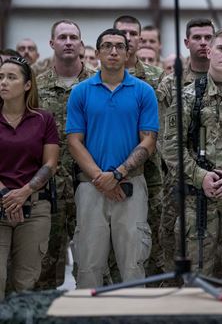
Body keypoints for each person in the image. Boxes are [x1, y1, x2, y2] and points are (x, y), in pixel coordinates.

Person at [66, 28, 159, 288]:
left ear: (128, 53)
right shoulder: (81, 92)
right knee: (88, 267)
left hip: (131, 187)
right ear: (96, 53)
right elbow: (74, 142)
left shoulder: (143, 91)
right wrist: (101, 179)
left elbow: (149, 140)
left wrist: (117, 174)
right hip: (89, 187)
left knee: (133, 265)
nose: (113, 51)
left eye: (120, 46)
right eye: (107, 46)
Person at [162, 28, 222, 286]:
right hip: (198, 201)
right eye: (221, 48)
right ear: (209, 52)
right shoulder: (188, 96)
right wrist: (200, 177)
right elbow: (171, 148)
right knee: (198, 277)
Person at [35, 20, 96, 290]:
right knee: (46, 261)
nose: (68, 42)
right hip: (50, 187)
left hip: (90, 182)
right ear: (52, 44)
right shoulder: (35, 88)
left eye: (74, 37)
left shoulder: (98, 83)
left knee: (93, 260)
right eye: (62, 37)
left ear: (81, 44)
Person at [156, 17, 215, 274]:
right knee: (173, 244)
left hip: (219, 179)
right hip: (179, 179)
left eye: (208, 37)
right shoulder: (171, 83)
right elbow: (161, 136)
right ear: (186, 42)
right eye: (198, 38)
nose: (203, 43)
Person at [0, 56, 59, 299]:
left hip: (34, 207)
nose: (3, 82)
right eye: (1, 77)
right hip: (0, 202)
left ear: (27, 85)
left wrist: (23, 193)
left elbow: (50, 164)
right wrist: (7, 196)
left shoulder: (43, 119)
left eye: (11, 77)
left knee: (25, 283)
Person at [113, 15, 164, 280]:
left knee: (149, 246)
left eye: (134, 34)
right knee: (108, 250)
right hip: (106, 172)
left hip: (151, 175)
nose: (129, 38)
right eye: (123, 33)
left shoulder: (158, 78)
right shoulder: (97, 78)